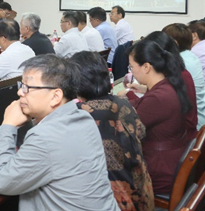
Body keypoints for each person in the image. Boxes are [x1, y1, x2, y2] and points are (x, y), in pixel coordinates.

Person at [0, 55, 119, 211]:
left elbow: (1, 182)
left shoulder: (45, 138)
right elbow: (37, 153)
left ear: (55, 96)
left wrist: (8, 125)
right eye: (21, 85)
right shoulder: (83, 118)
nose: (20, 92)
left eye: (27, 87)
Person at [70, 51, 154, 211]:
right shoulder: (123, 103)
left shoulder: (78, 115)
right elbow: (141, 134)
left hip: (114, 202)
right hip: (143, 195)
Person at [119, 40, 193, 195]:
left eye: (131, 67)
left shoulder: (159, 97)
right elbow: (143, 104)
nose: (131, 71)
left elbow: (127, 124)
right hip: (171, 159)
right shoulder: (168, 85)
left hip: (159, 170)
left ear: (146, 67)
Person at [126, 31, 198, 140]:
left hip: (184, 136)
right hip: (179, 136)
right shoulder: (171, 76)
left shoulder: (177, 77)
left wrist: (128, 95)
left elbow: (146, 110)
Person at [163, 23, 205, 129]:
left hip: (192, 123)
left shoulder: (180, 61)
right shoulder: (189, 55)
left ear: (174, 43)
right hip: (199, 115)